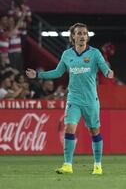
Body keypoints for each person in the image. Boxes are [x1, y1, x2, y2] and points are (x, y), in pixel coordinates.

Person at [26, 22, 114, 175]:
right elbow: (57, 72)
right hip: (74, 99)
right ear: (73, 36)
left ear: (87, 37)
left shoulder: (94, 53)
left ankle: (98, 165)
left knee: (94, 131)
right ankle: (67, 165)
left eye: (84, 34)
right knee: (69, 128)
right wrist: (38, 75)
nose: (82, 36)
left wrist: (108, 73)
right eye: (79, 33)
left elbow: (104, 67)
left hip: (91, 100)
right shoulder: (67, 54)